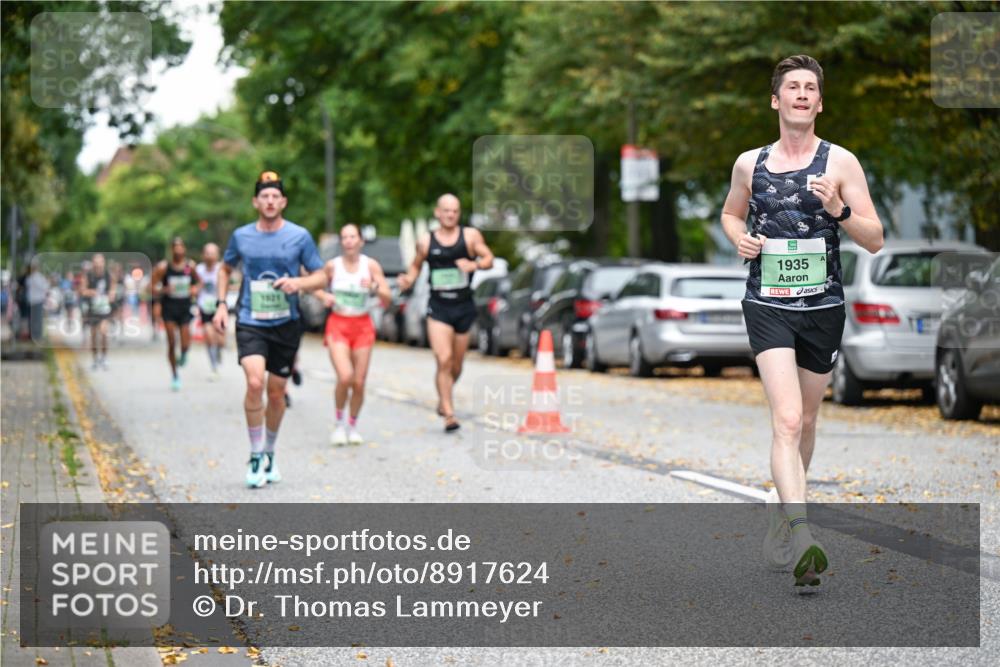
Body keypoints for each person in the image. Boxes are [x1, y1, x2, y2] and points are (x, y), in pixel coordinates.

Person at [720, 55, 884, 590]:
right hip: (767, 303)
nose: (801, 94)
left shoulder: (841, 163)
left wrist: (838, 209)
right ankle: (801, 530)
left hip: (823, 307)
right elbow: (730, 212)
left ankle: (781, 508)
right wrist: (737, 238)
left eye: (810, 87)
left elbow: (875, 238)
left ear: (819, 102)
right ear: (776, 100)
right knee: (786, 420)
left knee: (808, 421)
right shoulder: (751, 163)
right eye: (792, 86)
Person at [212, 171, 326, 488]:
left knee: (276, 395)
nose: (270, 201)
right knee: (253, 382)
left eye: (276, 196)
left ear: (283, 202)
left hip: (286, 323)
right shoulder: (241, 236)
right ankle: (254, 453)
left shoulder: (299, 236)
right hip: (251, 320)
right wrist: (221, 304)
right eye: (265, 196)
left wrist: (299, 283)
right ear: (255, 202)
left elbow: (321, 276)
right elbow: (225, 269)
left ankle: (270, 452)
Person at [397, 194, 494, 432]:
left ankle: (444, 396)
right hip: (439, 307)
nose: (451, 215)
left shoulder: (470, 237)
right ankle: (449, 413)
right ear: (437, 213)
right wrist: (408, 279)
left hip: (463, 306)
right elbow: (415, 266)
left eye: (455, 211)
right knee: (444, 359)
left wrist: (475, 265)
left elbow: (489, 258)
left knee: (457, 365)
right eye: (446, 211)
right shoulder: (426, 242)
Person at [314, 223, 392, 445]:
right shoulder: (332, 266)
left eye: (352, 237)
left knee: (358, 382)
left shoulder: (370, 266)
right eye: (344, 237)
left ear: (361, 241)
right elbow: (314, 284)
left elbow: (387, 297)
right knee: (345, 376)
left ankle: (353, 425)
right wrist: (323, 297)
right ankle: (338, 425)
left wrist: (375, 287)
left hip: (363, 326)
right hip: (338, 325)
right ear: (341, 242)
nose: (348, 241)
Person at [152, 238, 201, 391]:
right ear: (171, 250)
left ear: (185, 249)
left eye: (181, 246)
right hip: (169, 308)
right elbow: (151, 287)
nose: (179, 250)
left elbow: (199, 282)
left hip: (184, 307)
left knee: (186, 342)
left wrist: (194, 289)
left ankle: (184, 354)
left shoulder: (190, 266)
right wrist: (162, 290)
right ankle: (175, 375)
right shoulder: (163, 267)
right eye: (176, 247)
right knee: (172, 342)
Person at [81, 254, 118, 369]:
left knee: (103, 332)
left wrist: (111, 294)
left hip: (105, 309)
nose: (98, 265)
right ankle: (95, 358)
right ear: (93, 264)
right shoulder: (88, 276)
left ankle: (104, 357)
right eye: (96, 263)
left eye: (100, 262)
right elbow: (82, 291)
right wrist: (92, 292)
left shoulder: (109, 275)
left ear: (103, 263)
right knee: (93, 336)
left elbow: (113, 288)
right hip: (92, 309)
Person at [195, 243, 226, 379]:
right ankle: (214, 368)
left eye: (212, 253)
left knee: (220, 340)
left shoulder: (222, 269)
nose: (210, 256)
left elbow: (227, 286)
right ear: (203, 254)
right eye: (207, 253)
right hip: (204, 307)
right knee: (209, 337)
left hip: (219, 307)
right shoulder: (199, 270)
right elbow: (194, 286)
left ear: (217, 255)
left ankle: (218, 351)